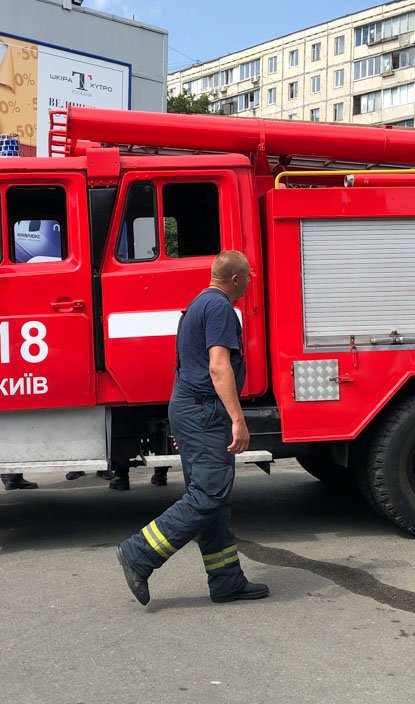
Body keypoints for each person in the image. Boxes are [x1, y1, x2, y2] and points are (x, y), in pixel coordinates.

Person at [116, 250, 270, 606]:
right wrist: (237, 419)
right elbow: (218, 367)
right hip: (205, 412)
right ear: (235, 279)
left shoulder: (198, 304)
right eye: (248, 276)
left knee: (212, 495)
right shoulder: (220, 309)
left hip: (191, 409)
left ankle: (226, 579)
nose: (250, 282)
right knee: (209, 495)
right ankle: (138, 553)